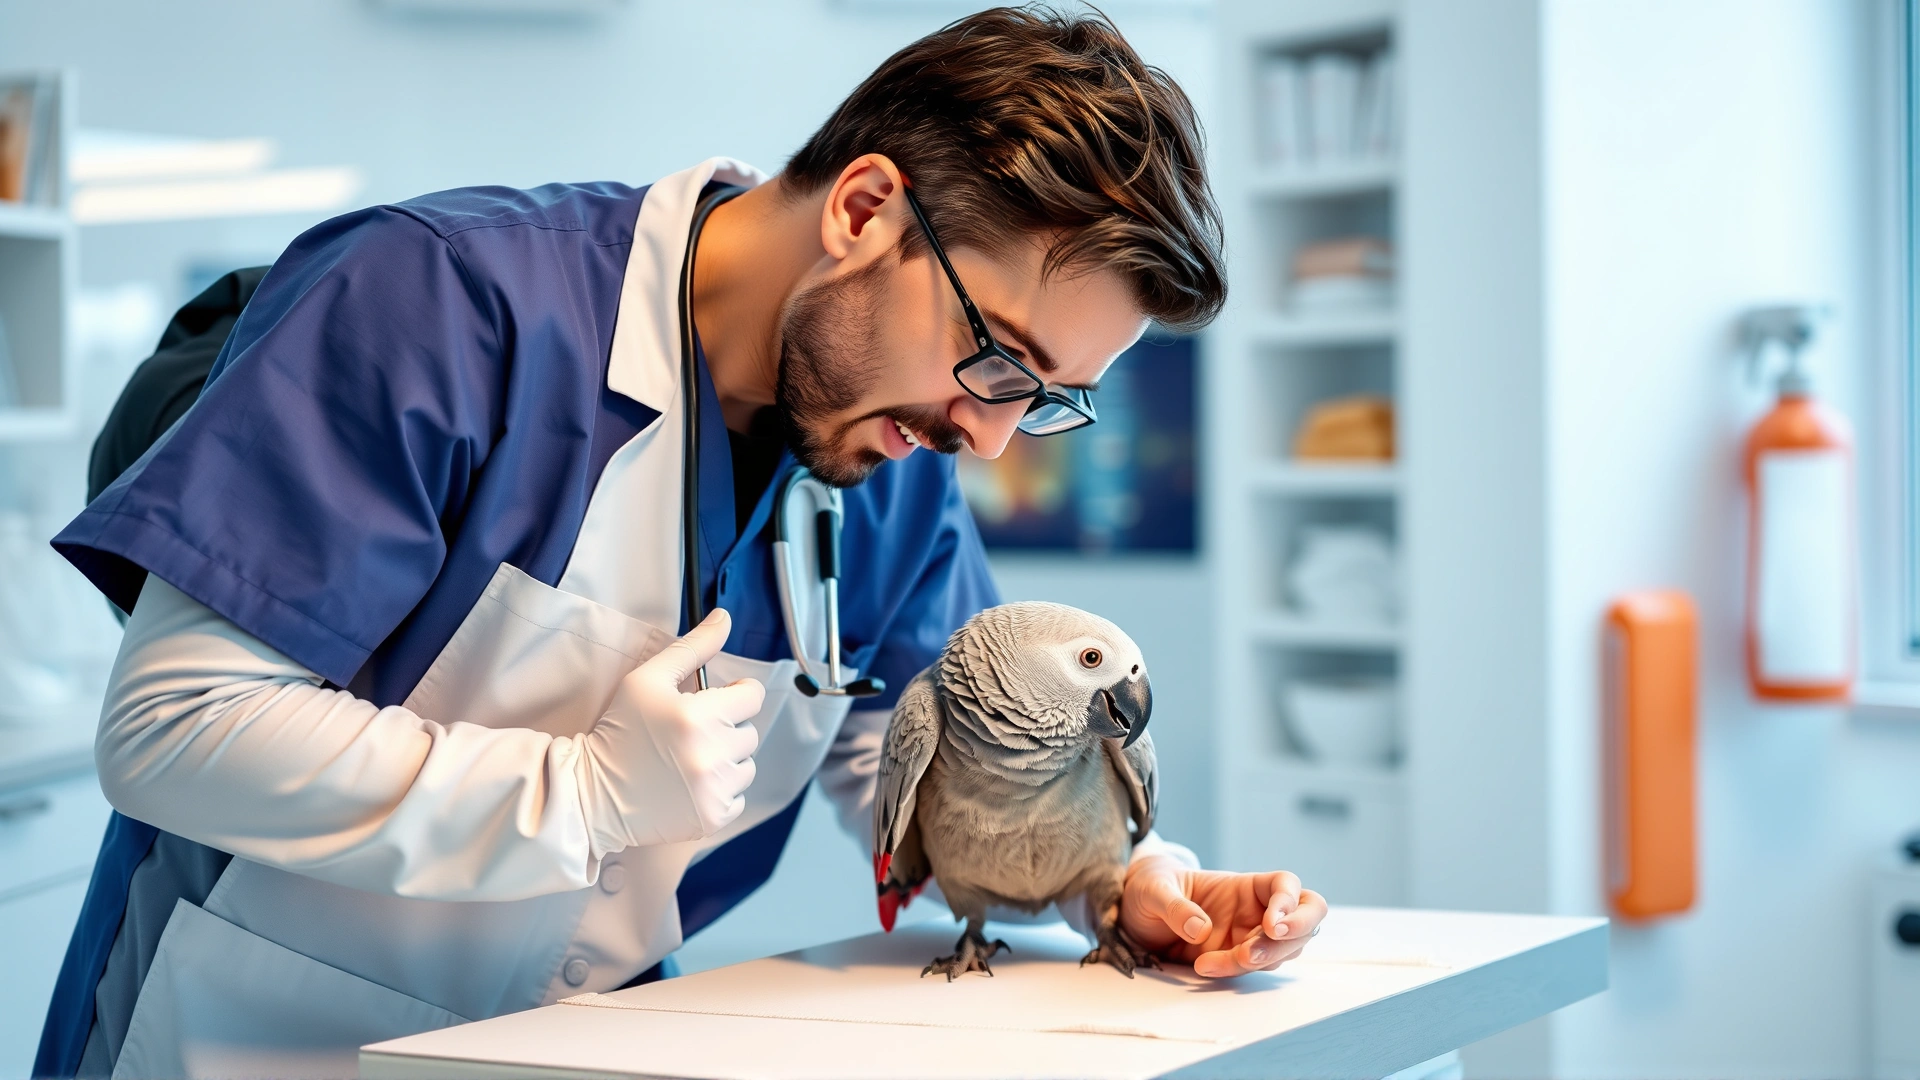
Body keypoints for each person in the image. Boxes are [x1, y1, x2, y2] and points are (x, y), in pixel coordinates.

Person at [35, 8, 1327, 1078]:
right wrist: (581, 794)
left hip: (595, 1042)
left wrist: (1116, 881)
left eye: (1042, 397)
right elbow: (174, 730)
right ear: (865, 209)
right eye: (996, 359)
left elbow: (917, 763)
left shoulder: (883, 451)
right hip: (246, 1036)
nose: (989, 439)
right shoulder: (441, 303)